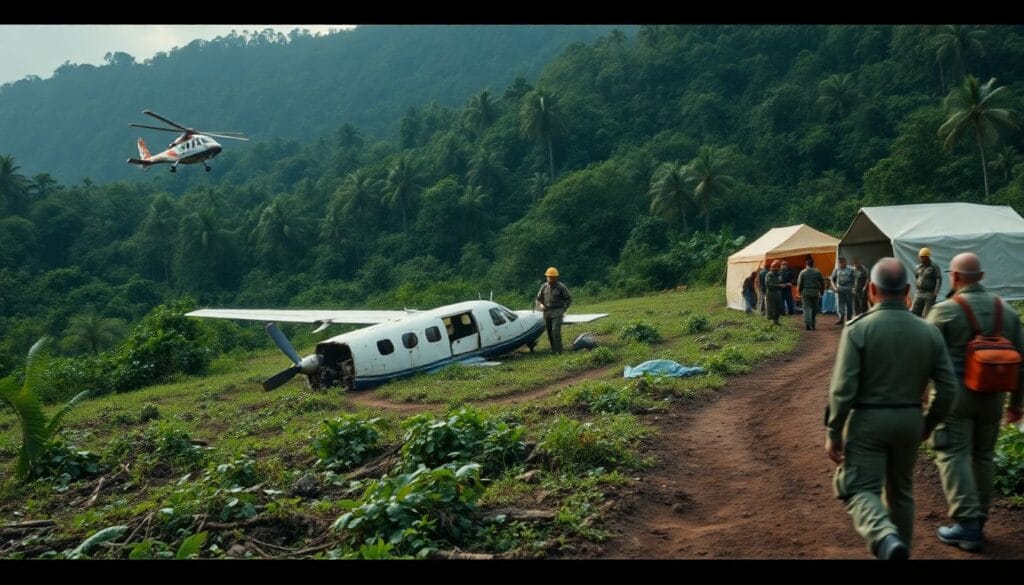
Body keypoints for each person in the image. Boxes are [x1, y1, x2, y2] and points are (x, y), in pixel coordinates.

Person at [826, 257, 957, 560]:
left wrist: (833, 430)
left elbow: (843, 389)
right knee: (902, 492)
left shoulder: (858, 329)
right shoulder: (929, 332)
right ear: (908, 290)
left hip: (869, 422)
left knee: (859, 488)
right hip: (911, 419)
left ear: (871, 289)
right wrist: (928, 423)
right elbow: (948, 388)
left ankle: (883, 537)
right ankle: (901, 550)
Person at [925, 252, 1024, 551]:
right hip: (994, 397)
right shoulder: (1005, 311)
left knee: (952, 454)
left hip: (953, 398)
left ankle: (967, 525)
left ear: (953, 277)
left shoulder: (943, 311)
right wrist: (1016, 404)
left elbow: (924, 358)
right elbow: (1022, 361)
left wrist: (919, 397)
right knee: (982, 455)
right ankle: (978, 521)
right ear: (981, 277)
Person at [535, 266, 573, 353]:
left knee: (555, 330)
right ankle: (553, 349)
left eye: (552, 277)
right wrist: (540, 305)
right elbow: (538, 298)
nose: (550, 279)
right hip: (546, 311)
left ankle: (559, 350)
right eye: (549, 277)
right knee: (549, 331)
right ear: (547, 277)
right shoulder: (544, 287)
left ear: (556, 277)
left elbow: (569, 298)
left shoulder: (561, 287)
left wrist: (564, 309)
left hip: (557, 310)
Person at [912, 247, 942, 317]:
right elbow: (917, 276)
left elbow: (939, 278)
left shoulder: (934, 266)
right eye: (920, 257)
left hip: (929, 293)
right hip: (919, 292)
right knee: (914, 311)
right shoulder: (918, 267)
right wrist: (919, 284)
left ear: (927, 257)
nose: (921, 259)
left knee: (927, 314)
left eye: (923, 257)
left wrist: (936, 291)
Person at [796, 257, 824, 331]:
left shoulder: (802, 272)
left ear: (806, 264)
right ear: (813, 264)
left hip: (805, 292)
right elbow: (822, 282)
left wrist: (799, 292)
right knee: (815, 308)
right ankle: (813, 324)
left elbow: (799, 283)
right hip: (815, 292)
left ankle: (807, 324)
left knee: (807, 308)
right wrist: (822, 291)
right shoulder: (817, 272)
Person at [831, 256, 855, 325]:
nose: (841, 264)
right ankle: (841, 319)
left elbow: (855, 279)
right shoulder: (837, 269)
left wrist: (854, 288)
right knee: (841, 305)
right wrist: (834, 287)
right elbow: (832, 279)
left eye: (843, 262)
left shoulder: (851, 269)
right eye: (840, 262)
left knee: (849, 305)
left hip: (849, 289)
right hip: (840, 289)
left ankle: (849, 320)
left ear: (845, 262)